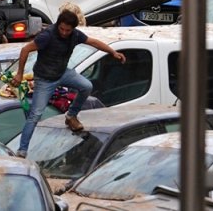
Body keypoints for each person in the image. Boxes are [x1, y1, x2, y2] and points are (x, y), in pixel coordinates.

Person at [12, 9, 127, 157]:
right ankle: (22, 150)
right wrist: (20, 73)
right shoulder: (47, 36)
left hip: (62, 73)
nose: (65, 33)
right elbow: (25, 49)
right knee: (35, 114)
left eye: (68, 30)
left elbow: (93, 42)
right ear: (58, 25)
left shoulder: (75, 35)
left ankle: (71, 116)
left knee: (87, 86)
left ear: (73, 29)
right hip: (44, 79)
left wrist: (112, 52)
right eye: (62, 29)